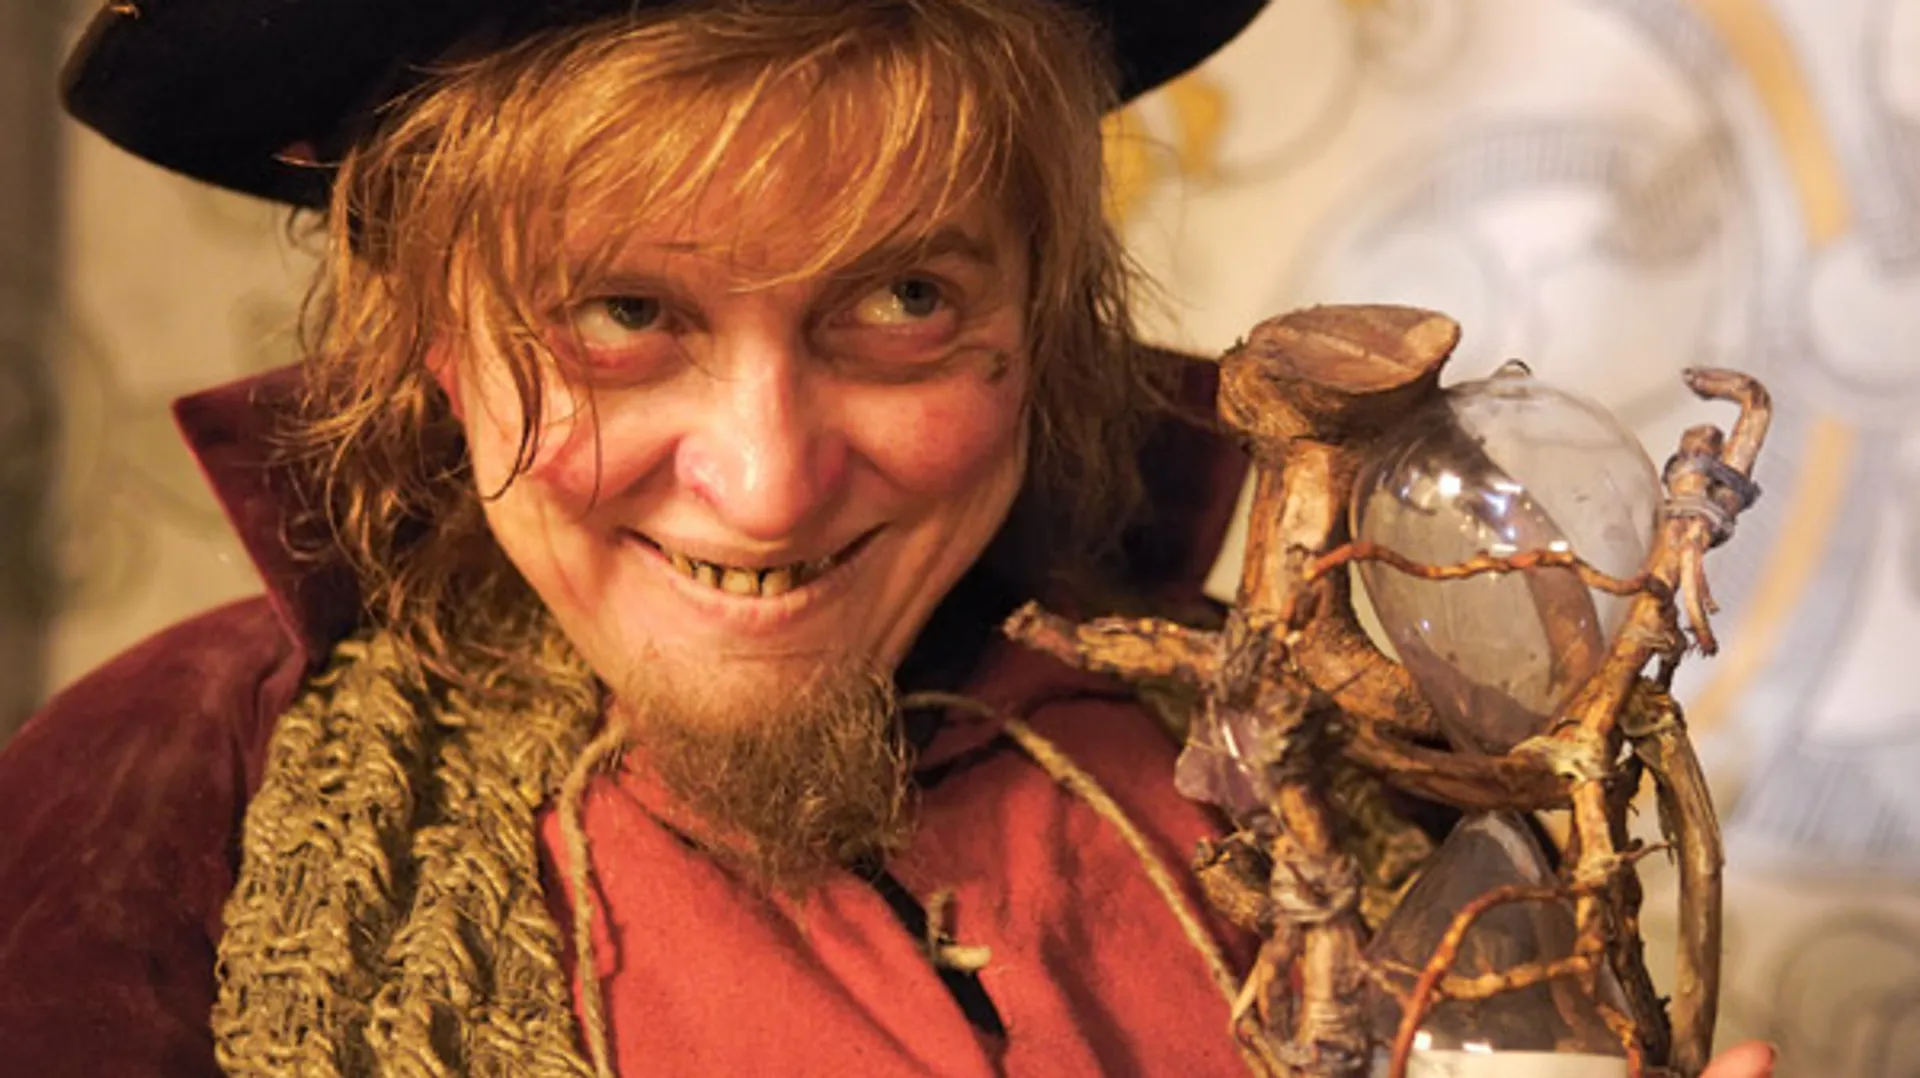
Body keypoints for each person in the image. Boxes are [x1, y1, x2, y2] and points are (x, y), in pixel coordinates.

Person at [0, 1, 1777, 1075]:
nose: (769, 485)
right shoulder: (168, 815)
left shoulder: (1320, 765)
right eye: (621, 313)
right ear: (433, 337)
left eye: (904, 298)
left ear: (1042, 315)